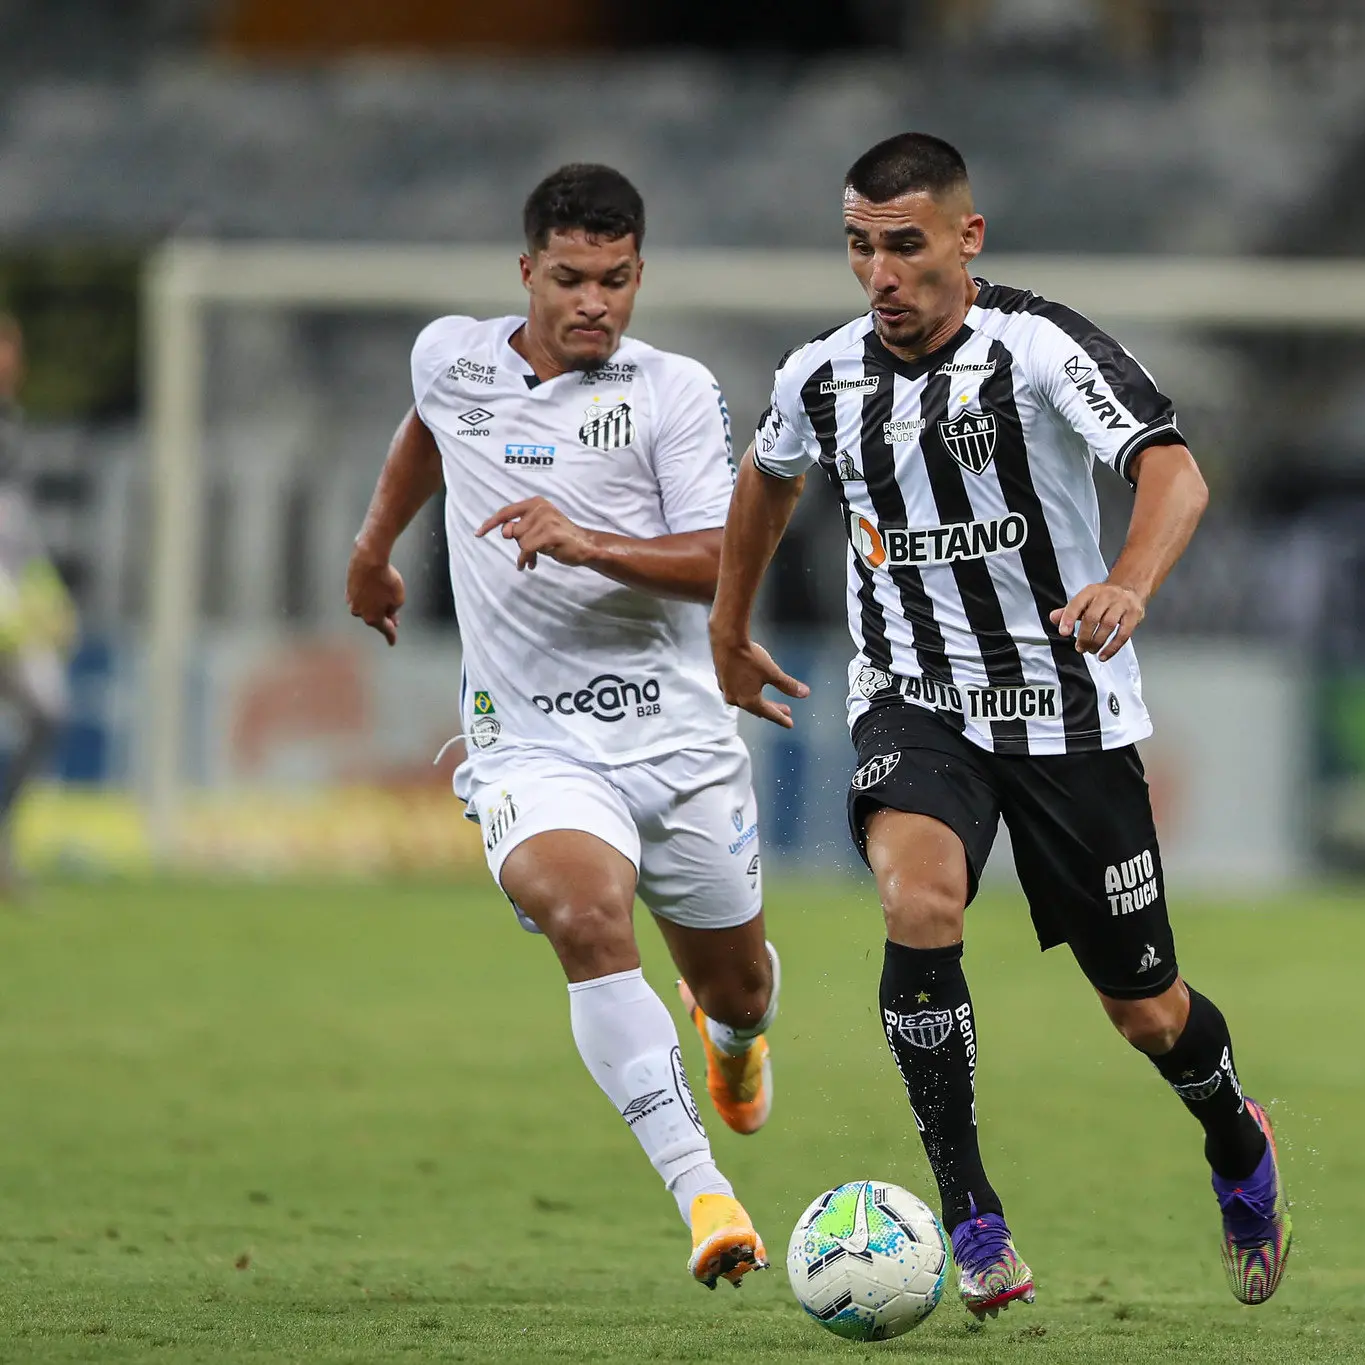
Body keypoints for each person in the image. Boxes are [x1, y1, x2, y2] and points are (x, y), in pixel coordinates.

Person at [709, 132, 1292, 1317]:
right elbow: (768, 475)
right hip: (913, 698)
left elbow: (1173, 474)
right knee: (918, 899)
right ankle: (970, 1214)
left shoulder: (1038, 348)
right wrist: (726, 624)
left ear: (965, 238)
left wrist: (1126, 582)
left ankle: (1235, 1141)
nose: (879, 274)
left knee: (1145, 1011)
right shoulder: (818, 375)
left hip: (1064, 708)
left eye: (904, 245)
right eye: (859, 247)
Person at [345, 165, 774, 1289]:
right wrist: (373, 548)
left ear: (641, 274)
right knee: (585, 917)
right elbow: (428, 432)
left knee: (738, 988)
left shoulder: (672, 392)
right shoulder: (452, 358)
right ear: (527, 270)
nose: (595, 303)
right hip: (532, 746)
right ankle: (704, 1197)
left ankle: (731, 1036)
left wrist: (588, 542)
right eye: (572, 279)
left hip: (677, 746)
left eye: (616, 280)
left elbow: (722, 559)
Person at [0, 312, 74, 897]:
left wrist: (47, 594)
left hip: (13, 605)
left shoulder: (13, 427)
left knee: (48, 710)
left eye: (11, 349)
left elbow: (17, 526)